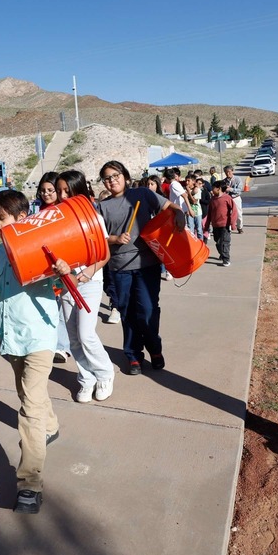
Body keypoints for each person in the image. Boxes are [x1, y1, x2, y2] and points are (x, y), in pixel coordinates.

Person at [0, 190, 71, 514]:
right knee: (30, 394)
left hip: (41, 336)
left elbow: (62, 284)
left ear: (21, 216)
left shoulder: (42, 246)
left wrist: (62, 270)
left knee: (29, 406)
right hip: (11, 336)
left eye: (2, 217)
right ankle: (52, 427)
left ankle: (29, 484)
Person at [97, 160, 181, 375]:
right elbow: (97, 238)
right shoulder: (102, 207)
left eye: (115, 175)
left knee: (148, 310)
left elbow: (169, 206)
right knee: (128, 313)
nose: (112, 180)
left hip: (147, 264)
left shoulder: (142, 194)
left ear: (125, 175)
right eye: (107, 178)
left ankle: (154, 348)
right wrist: (114, 238)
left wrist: (178, 213)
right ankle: (133, 355)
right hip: (119, 267)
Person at [56, 170, 117, 403]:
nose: (63, 196)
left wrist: (87, 273)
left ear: (79, 191)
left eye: (67, 191)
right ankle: (86, 378)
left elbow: (104, 253)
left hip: (90, 282)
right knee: (72, 336)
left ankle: (104, 373)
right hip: (65, 283)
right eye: (59, 190)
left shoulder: (94, 218)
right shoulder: (56, 220)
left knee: (86, 333)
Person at [37, 172, 72, 364]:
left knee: (62, 307)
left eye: (50, 190)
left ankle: (62, 347)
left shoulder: (63, 209)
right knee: (52, 304)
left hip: (64, 261)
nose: (46, 194)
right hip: (46, 263)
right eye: (43, 191)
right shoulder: (40, 210)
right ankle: (52, 343)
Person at [204, 180, 237, 267]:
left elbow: (234, 210)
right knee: (218, 242)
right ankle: (222, 254)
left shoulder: (227, 198)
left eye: (213, 188)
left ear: (219, 189)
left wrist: (233, 223)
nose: (212, 189)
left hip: (225, 225)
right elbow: (209, 213)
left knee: (225, 242)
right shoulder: (213, 199)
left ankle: (226, 259)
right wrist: (206, 226)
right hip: (215, 225)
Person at [224, 165, 244, 233]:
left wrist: (231, 189)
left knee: (238, 213)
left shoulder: (237, 179)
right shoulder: (224, 181)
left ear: (232, 171)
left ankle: (240, 227)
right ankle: (228, 228)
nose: (227, 174)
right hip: (228, 198)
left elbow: (240, 189)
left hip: (236, 198)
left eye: (229, 172)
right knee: (228, 214)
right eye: (226, 172)